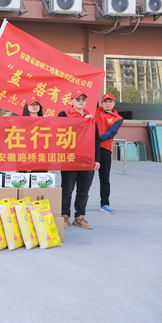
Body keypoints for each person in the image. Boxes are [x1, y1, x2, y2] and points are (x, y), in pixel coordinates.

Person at [58, 90, 101, 230]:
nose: (81, 101)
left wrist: (96, 159)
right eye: (77, 99)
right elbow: (59, 131)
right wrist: (82, 122)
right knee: (67, 190)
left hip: (87, 160)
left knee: (83, 191)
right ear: (71, 101)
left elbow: (96, 140)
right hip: (70, 159)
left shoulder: (90, 117)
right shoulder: (63, 115)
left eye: (83, 99)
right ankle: (65, 215)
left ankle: (80, 217)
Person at [95, 93, 123, 214]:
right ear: (101, 103)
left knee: (104, 178)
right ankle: (79, 204)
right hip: (90, 148)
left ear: (114, 103)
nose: (107, 104)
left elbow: (111, 132)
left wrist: (97, 139)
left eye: (110, 101)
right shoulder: (95, 111)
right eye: (105, 102)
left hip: (104, 149)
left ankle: (104, 204)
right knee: (83, 177)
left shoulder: (118, 118)